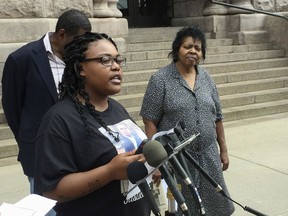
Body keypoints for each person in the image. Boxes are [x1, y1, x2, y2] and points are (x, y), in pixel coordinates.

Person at [33, 32, 151, 216]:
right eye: (105, 60)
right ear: (81, 68)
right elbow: (52, 191)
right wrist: (109, 172)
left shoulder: (117, 108)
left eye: (118, 60)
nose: (116, 67)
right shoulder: (59, 120)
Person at [140, 26, 235, 216]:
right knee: (185, 209)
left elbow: (217, 117)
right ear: (177, 50)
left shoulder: (206, 78)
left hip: (208, 155)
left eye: (198, 48)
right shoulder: (160, 79)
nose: (193, 51)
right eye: (188, 46)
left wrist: (223, 150)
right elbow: (150, 121)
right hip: (177, 159)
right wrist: (157, 162)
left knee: (217, 206)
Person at [1, 9, 92, 194]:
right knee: (46, 207)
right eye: (78, 40)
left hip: (77, 148)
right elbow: (12, 108)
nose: (81, 47)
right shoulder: (22, 59)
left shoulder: (79, 60)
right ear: (62, 34)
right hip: (39, 152)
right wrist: (31, 138)